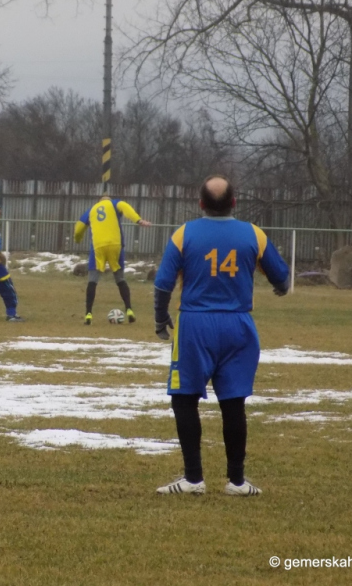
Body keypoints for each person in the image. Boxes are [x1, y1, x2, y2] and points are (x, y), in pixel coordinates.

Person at [153, 175, 289, 496]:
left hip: (195, 325)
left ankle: (193, 478)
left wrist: (161, 319)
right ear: (234, 203)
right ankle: (237, 482)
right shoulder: (253, 234)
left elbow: (162, 283)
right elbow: (281, 277)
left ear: (200, 204)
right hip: (238, 325)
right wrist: (279, 287)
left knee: (184, 399)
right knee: (233, 402)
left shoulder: (184, 234)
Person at [74, 193, 152, 325]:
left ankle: (88, 314)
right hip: (116, 245)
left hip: (98, 246)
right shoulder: (115, 203)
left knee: (92, 280)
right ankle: (129, 310)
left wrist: (77, 239)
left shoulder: (91, 210)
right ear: (109, 199)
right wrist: (139, 220)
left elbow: (79, 228)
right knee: (120, 278)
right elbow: (126, 208)